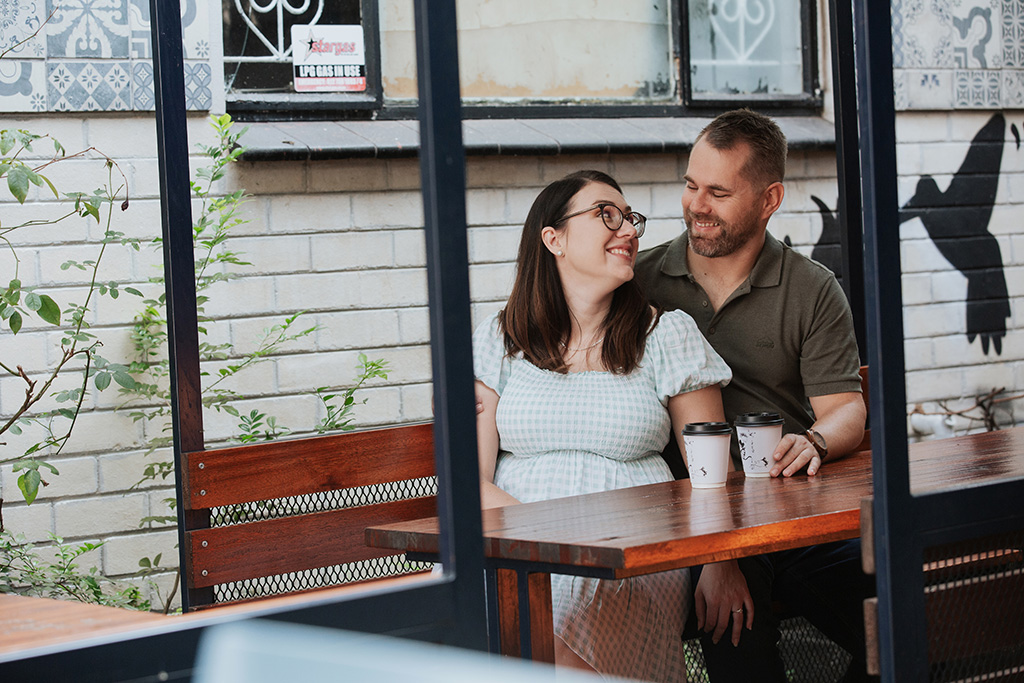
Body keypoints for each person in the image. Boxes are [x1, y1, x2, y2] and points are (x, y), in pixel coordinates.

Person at [635, 109, 873, 683]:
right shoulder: (639, 282)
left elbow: (846, 409)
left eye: (719, 192)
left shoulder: (811, 287)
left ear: (770, 200)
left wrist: (813, 440)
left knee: (901, 609)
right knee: (734, 625)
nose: (697, 204)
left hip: (788, 517)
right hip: (689, 521)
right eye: (691, 185)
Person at [474, 170, 732, 681]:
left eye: (631, 218)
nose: (629, 231)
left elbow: (711, 475)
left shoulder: (666, 334)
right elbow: (469, 480)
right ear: (554, 239)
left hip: (631, 551)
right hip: (514, 542)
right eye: (606, 215)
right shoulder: (501, 337)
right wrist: (550, 541)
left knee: (550, 613)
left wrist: (721, 563)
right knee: (511, 602)